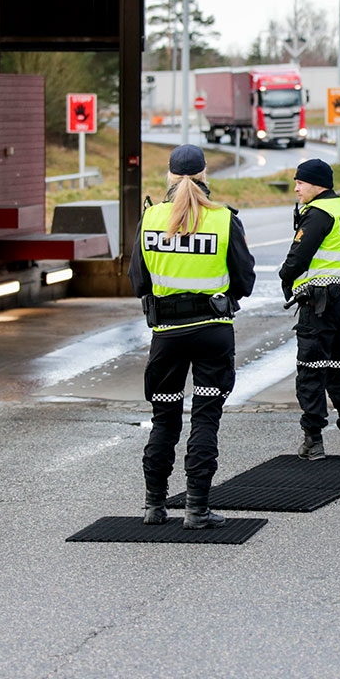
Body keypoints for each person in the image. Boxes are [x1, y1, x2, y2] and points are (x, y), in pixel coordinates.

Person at [128, 145, 255, 528]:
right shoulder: (223, 220)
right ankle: (197, 509)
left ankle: (154, 506)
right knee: (205, 419)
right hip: (213, 332)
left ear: (169, 176)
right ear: (204, 175)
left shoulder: (151, 218)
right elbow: (245, 280)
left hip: (166, 335)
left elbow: (138, 281)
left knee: (164, 420)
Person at [279, 159, 340, 461]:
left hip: (319, 302)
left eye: (300, 182)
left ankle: (313, 441)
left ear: (316, 184)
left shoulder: (318, 214)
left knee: (311, 371)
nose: (296, 188)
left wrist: (285, 278)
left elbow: (298, 257)